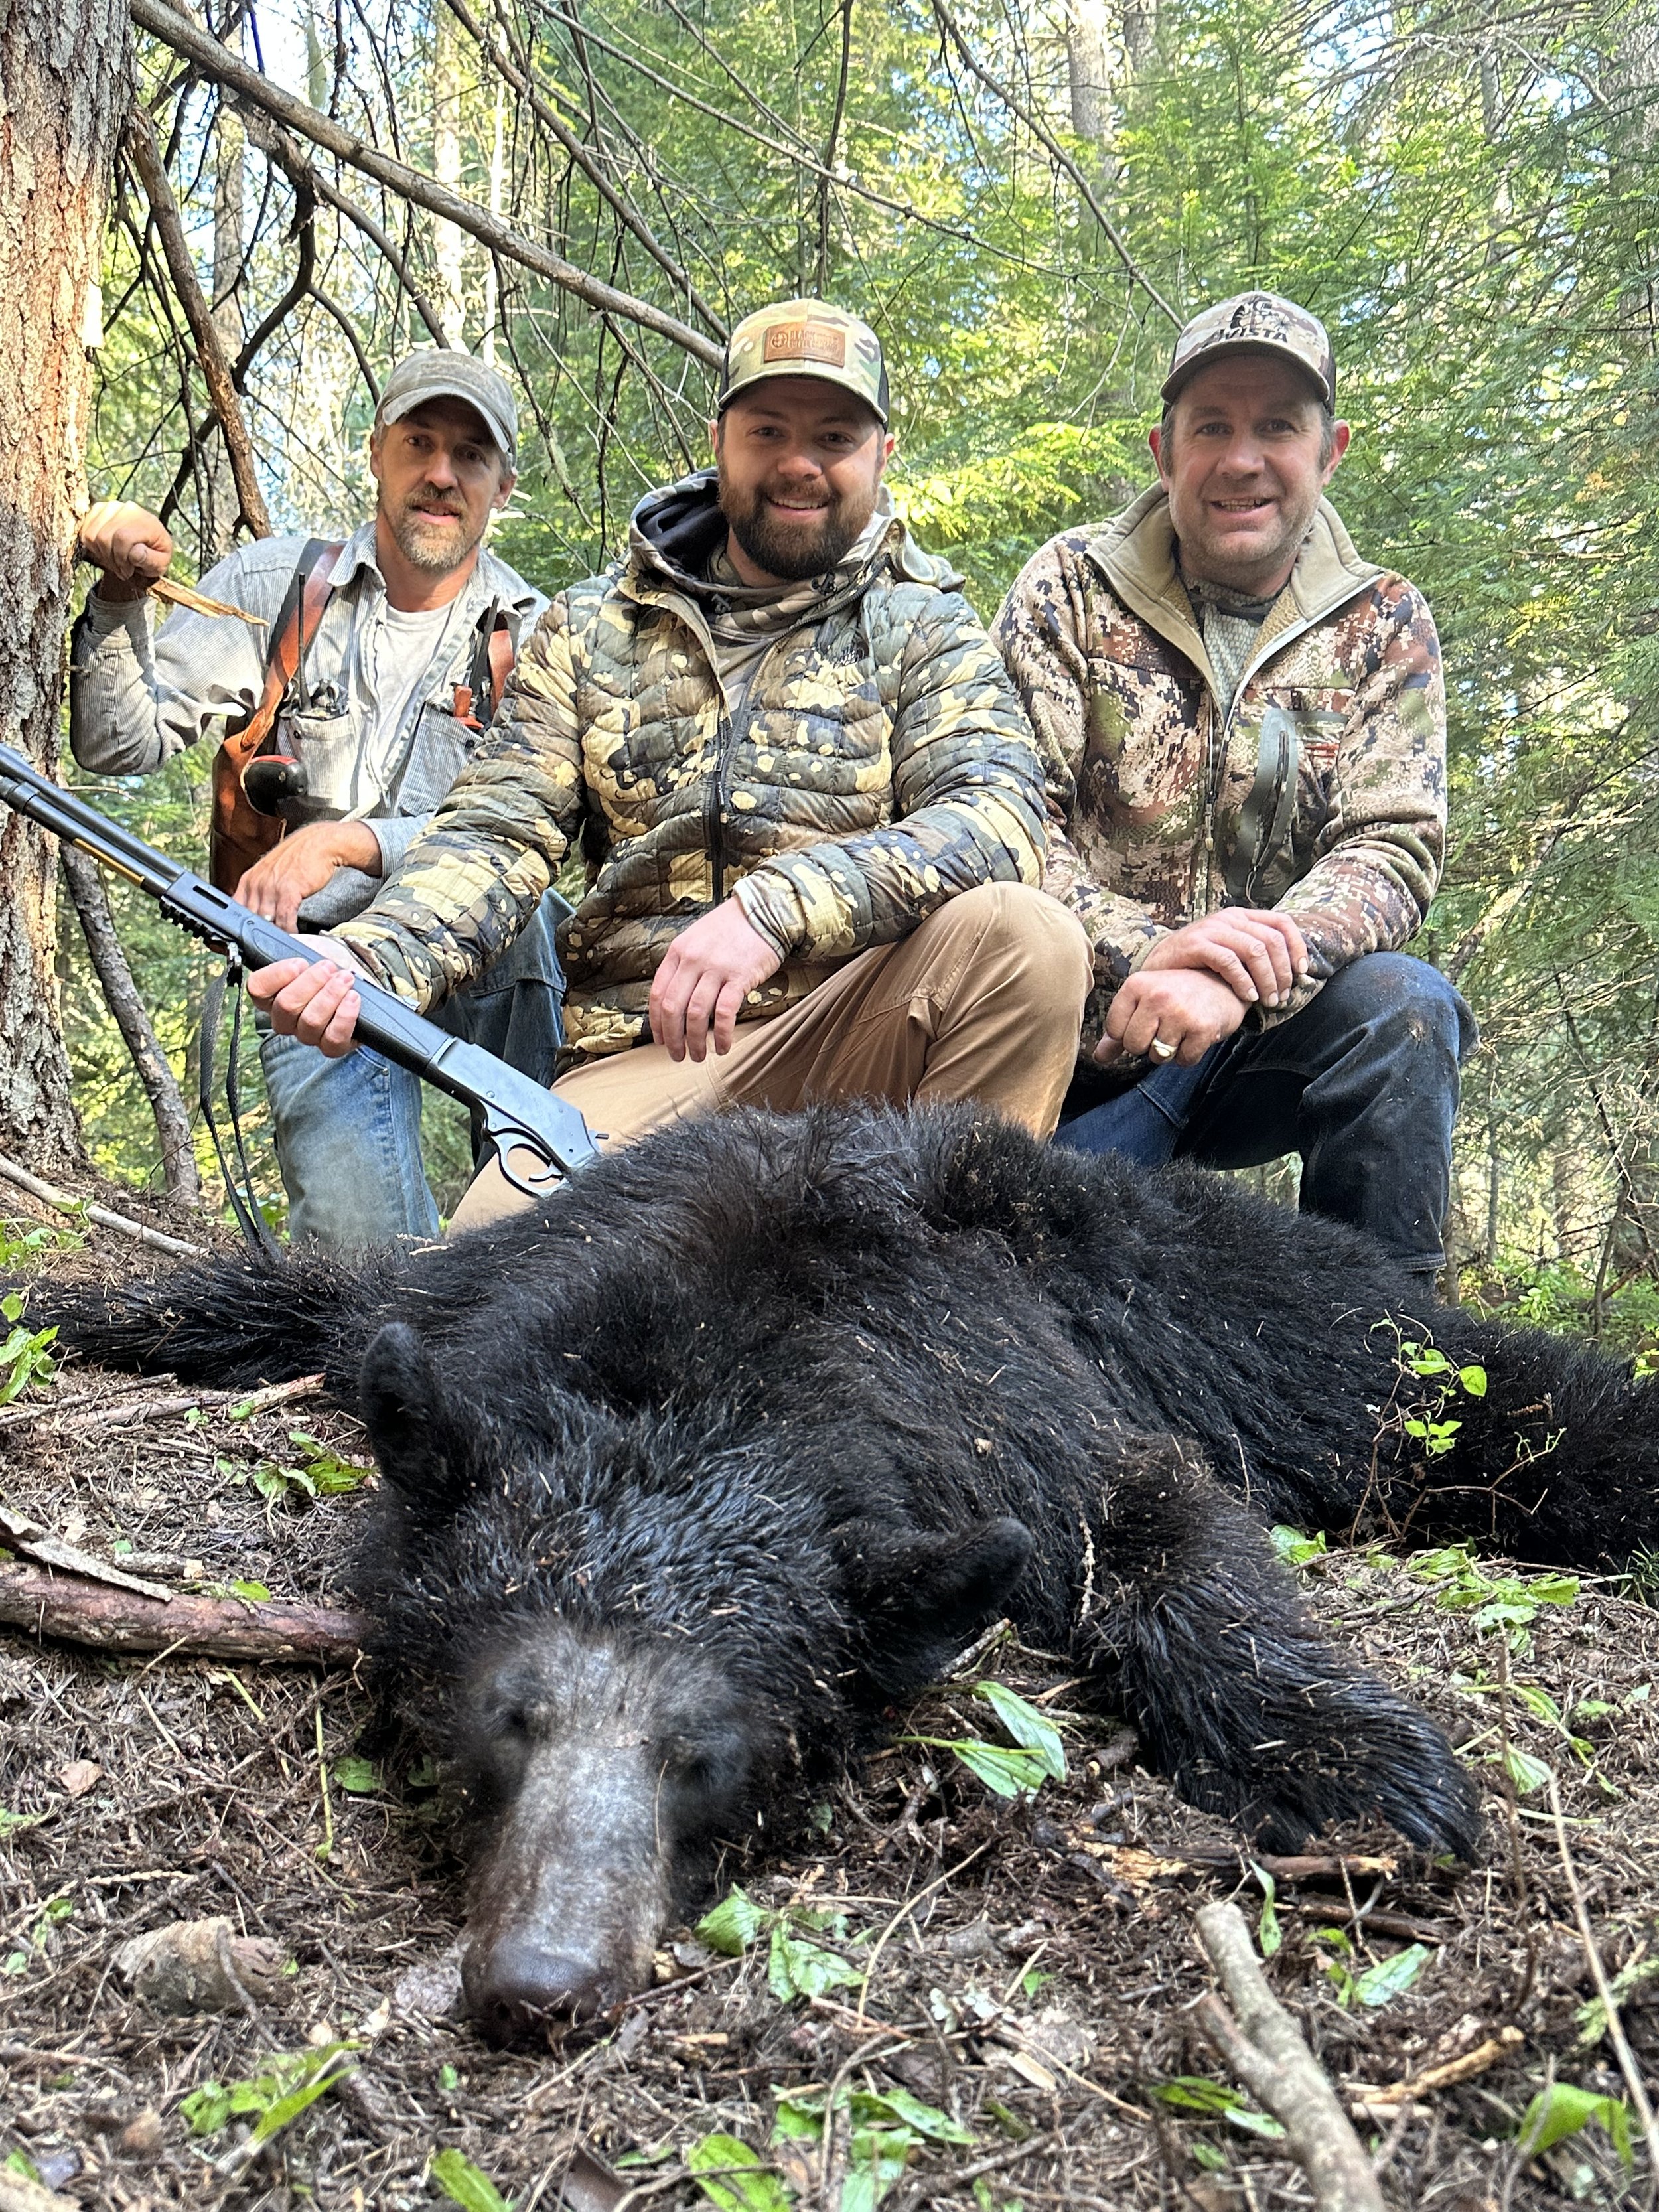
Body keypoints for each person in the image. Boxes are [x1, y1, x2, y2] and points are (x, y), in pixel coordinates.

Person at [245, 299, 1091, 1230]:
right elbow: (494, 832)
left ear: (880, 456)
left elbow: (999, 818)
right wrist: (372, 958)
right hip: (653, 1059)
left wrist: (776, 908)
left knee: (1030, 941)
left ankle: (943, 1291)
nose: (799, 463)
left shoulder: (925, 624)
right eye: (768, 431)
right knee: (498, 1254)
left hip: (853, 1031)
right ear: (720, 441)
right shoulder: (593, 628)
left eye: (834, 437)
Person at [996, 289, 1473, 1289]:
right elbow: (1006, 820)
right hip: (1081, 1029)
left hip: (1261, 1034)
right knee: (1005, 1286)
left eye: (1278, 427)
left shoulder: (1382, 620)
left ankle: (1390, 1347)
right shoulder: (1069, 589)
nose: (1243, 459)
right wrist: (1148, 951)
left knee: (1405, 1010)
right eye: (1211, 426)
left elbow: (1390, 844)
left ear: (1330, 451)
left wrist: (1237, 975)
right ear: (1164, 453)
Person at [70, 350, 565, 1248]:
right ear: (376, 452)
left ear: (502, 487)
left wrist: (345, 842)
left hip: (483, 950)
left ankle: (546, 1220)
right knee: (361, 1265)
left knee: (554, 1225)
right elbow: (117, 744)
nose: (441, 474)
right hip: (315, 965)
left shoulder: (536, 637)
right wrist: (118, 597)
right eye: (419, 442)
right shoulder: (276, 590)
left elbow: (549, 835)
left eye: (470, 454)